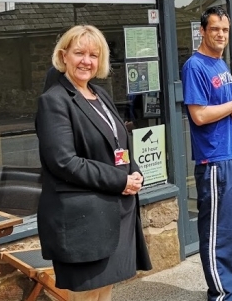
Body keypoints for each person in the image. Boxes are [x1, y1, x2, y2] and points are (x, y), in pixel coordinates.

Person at [36, 25, 151, 300]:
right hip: (83, 222)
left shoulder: (100, 94)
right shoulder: (54, 101)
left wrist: (134, 172)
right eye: (79, 53)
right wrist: (120, 180)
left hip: (113, 214)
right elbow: (63, 162)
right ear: (64, 56)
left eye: (93, 54)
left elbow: (118, 144)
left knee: (104, 295)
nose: (86, 61)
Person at [182, 7, 232, 300]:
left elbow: (221, 107)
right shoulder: (195, 66)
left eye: (224, 30)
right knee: (216, 233)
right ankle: (221, 293)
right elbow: (198, 115)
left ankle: (229, 281)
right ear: (202, 31)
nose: (221, 35)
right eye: (215, 29)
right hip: (214, 161)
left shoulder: (219, 64)